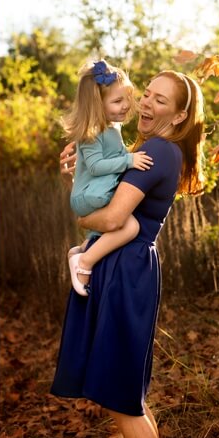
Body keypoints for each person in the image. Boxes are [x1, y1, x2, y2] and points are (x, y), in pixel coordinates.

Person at [51, 70, 205, 438]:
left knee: (122, 400)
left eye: (160, 101)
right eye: (147, 94)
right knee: (126, 396)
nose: (146, 104)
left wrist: (84, 218)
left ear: (180, 116)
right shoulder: (145, 147)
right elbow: (99, 208)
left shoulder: (159, 152)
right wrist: (78, 179)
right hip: (118, 265)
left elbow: (111, 219)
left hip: (126, 271)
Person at [63, 60, 152, 296]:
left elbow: (115, 155)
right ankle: (84, 263)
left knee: (122, 220)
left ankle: (82, 249)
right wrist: (129, 161)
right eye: (117, 101)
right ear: (97, 104)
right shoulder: (91, 132)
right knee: (130, 226)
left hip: (96, 191)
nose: (125, 106)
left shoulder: (112, 127)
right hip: (88, 194)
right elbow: (95, 166)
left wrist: (128, 157)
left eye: (127, 99)